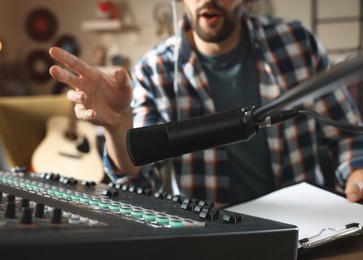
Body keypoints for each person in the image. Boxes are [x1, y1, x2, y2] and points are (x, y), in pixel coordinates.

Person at [49, 0, 363, 207]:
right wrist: (118, 127)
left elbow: (347, 133)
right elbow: (139, 181)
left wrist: (356, 172)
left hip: (310, 226)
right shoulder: (155, 69)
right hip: (217, 236)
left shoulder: (296, 42)